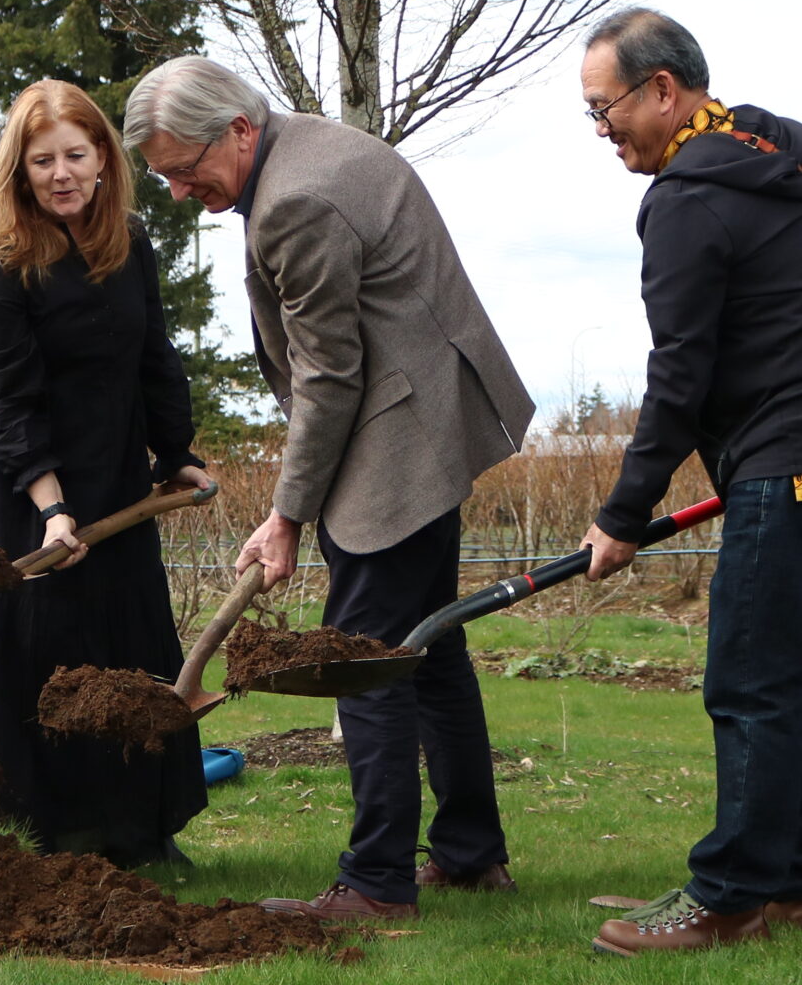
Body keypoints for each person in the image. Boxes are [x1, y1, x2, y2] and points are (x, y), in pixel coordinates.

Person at [124, 56, 535, 922]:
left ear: (238, 130)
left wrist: (285, 516)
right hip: (426, 415)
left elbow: (330, 376)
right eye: (163, 175)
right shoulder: (307, 150)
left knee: (362, 661)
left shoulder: (294, 201)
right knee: (433, 651)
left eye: (184, 169)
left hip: (395, 439)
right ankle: (467, 855)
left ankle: (376, 882)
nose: (175, 190)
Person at [572, 9, 802, 956]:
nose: (603, 133)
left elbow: (678, 375)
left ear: (663, 91)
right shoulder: (778, 146)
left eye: (606, 111)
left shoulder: (685, 200)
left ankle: (727, 899)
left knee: (750, 685)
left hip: (793, 467)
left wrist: (621, 515)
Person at [0, 80, 214, 866]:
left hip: (109, 462)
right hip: (14, 479)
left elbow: (153, 356)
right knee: (35, 639)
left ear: (105, 159)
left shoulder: (128, 243)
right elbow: (4, 399)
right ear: (20, 169)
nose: (62, 174)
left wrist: (176, 452)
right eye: (43, 160)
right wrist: (50, 506)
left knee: (122, 633)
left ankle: (132, 831)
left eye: (76, 155)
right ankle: (30, 832)